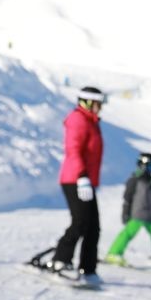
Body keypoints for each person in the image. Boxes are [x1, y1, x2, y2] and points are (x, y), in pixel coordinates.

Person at [47, 86, 106, 285]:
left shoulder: (91, 121)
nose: (100, 108)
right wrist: (82, 176)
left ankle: (88, 269)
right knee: (80, 222)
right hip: (75, 179)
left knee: (93, 227)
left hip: (86, 180)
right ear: (88, 102)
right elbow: (73, 149)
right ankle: (60, 261)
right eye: (98, 104)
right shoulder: (78, 120)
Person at [104, 153, 151, 269]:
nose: (149, 169)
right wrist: (126, 212)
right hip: (137, 214)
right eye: (148, 166)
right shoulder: (135, 179)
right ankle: (114, 253)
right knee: (127, 234)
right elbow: (127, 198)